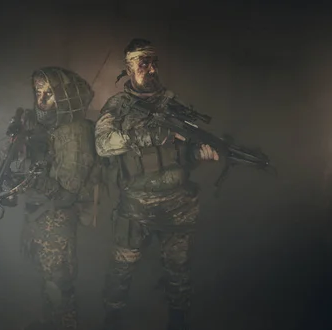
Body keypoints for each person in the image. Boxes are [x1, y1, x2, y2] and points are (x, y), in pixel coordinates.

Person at [94, 38, 219, 330]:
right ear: (128, 68)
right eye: (142, 63)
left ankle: (178, 321)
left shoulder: (174, 104)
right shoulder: (117, 107)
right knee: (119, 274)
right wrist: (147, 136)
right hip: (135, 208)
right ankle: (111, 320)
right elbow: (102, 145)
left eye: (153, 62)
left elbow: (184, 152)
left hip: (177, 207)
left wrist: (198, 153)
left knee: (178, 275)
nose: (150, 69)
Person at [0, 67, 97, 330]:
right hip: (37, 213)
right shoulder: (39, 126)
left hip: (57, 216)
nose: (41, 99)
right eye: (38, 92)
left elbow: (67, 191)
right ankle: (49, 323)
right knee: (44, 276)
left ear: (64, 96)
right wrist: (15, 146)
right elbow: (11, 166)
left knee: (58, 281)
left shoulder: (74, 131)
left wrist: (28, 174)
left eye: (50, 93)